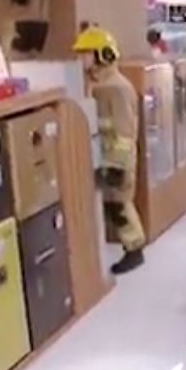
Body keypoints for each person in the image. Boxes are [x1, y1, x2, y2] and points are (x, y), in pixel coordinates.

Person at [73, 27, 146, 274]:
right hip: (106, 155)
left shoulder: (116, 87)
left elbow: (125, 130)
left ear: (102, 55)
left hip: (118, 159)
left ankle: (134, 249)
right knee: (113, 205)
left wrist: (117, 165)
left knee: (120, 205)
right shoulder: (100, 84)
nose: (82, 59)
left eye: (87, 53)